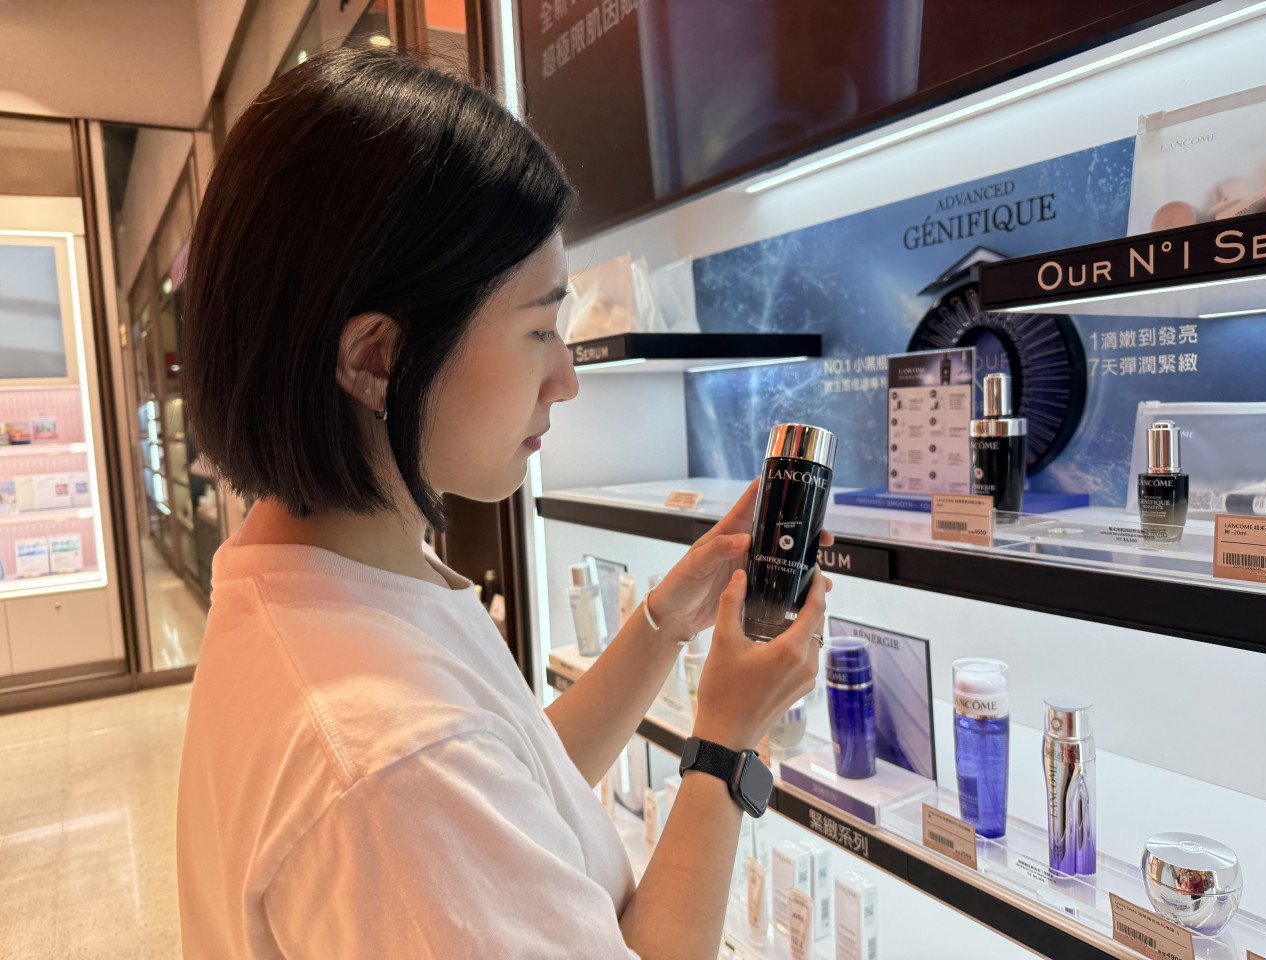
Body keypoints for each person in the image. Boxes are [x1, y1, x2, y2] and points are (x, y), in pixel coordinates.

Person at [176, 46, 829, 960]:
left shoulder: (319, 574)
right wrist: (728, 742)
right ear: (376, 359)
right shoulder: (394, 765)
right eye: (539, 329)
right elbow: (443, 784)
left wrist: (659, 629)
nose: (566, 378)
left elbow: (515, 788)